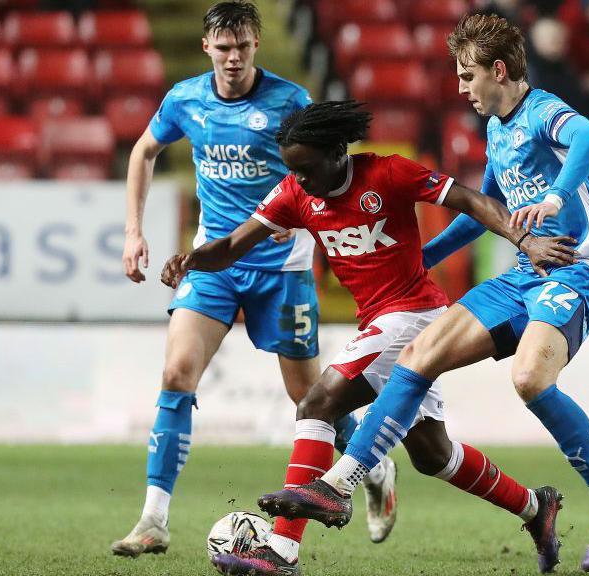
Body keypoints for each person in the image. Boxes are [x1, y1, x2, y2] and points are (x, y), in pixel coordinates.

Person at [259, 14, 589, 574]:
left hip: (577, 268)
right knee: (418, 358)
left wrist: (559, 197)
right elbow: (487, 209)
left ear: (499, 69)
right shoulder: (496, 129)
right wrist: (424, 258)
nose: (462, 88)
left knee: (530, 380)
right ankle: (339, 486)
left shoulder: (541, 112)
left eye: (468, 76)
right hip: (522, 274)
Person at [160, 100, 578, 576]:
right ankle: (534, 507)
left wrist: (523, 239)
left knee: (317, 403)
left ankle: (281, 550)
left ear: (338, 151)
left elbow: (470, 200)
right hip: (382, 321)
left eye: (306, 168)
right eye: (292, 171)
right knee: (432, 454)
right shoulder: (294, 195)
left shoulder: (388, 174)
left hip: (414, 314)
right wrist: (192, 259)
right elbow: (234, 245)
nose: (299, 179)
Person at [110, 1, 392, 557]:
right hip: (214, 260)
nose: (233, 57)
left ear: (256, 45)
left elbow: (330, 168)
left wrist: (304, 212)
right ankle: (153, 520)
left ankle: (373, 465)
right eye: (224, 47)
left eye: (242, 47)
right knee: (176, 374)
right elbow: (144, 152)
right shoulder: (185, 100)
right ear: (206, 48)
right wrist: (133, 232)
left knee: (309, 397)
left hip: (281, 267)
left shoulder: (289, 101)